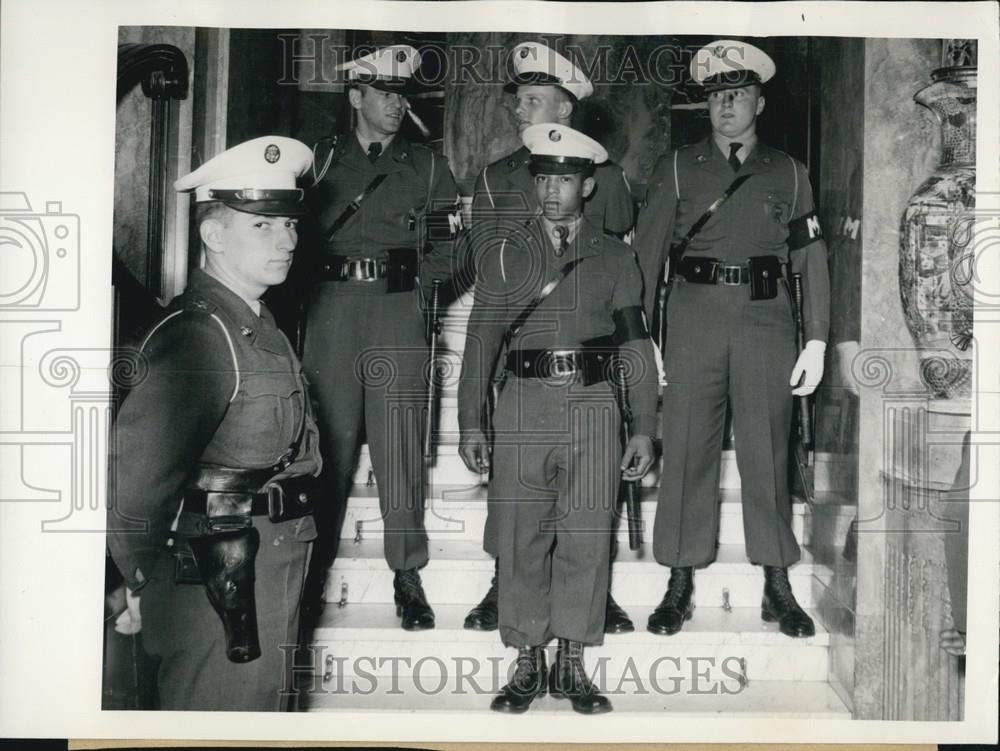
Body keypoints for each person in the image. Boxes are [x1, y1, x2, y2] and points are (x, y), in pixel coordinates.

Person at [106, 136, 321, 710]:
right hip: (217, 584)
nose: (287, 240)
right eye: (262, 225)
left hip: (265, 561)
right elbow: (135, 482)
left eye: (289, 224)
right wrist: (139, 584)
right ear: (213, 234)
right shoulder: (200, 334)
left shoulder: (255, 321)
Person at [458, 123, 658, 714]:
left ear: (587, 186)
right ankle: (527, 660)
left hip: (595, 406)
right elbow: (481, 340)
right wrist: (471, 422)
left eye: (564, 181)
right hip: (523, 404)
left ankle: (572, 659)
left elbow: (635, 346)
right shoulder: (505, 254)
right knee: (522, 535)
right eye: (543, 179)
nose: (551, 191)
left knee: (587, 535)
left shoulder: (616, 256)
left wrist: (644, 426)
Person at [634, 40, 831, 639]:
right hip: (693, 320)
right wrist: (643, 338)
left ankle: (776, 580)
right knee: (686, 449)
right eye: (717, 95)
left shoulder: (788, 172)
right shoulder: (676, 166)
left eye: (738, 94)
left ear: (759, 102)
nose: (726, 105)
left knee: (767, 451)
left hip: (767, 322)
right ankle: (679, 578)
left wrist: (817, 339)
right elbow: (647, 257)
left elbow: (811, 257)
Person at [463, 39, 637, 636]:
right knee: (517, 502)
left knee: (585, 507)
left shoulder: (605, 179)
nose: (520, 109)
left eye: (534, 99)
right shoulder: (496, 180)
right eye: (518, 99)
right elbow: (487, 283)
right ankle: (508, 589)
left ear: (566, 107)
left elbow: (615, 259)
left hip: (586, 364)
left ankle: (587, 604)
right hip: (520, 358)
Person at [301, 45, 462, 631]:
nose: (397, 104)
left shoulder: (428, 166)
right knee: (327, 447)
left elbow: (454, 244)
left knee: (401, 443)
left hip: (398, 310)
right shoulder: (317, 161)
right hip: (331, 311)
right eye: (385, 93)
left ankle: (406, 573)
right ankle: (310, 572)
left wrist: (423, 287)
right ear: (356, 96)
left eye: (403, 94)